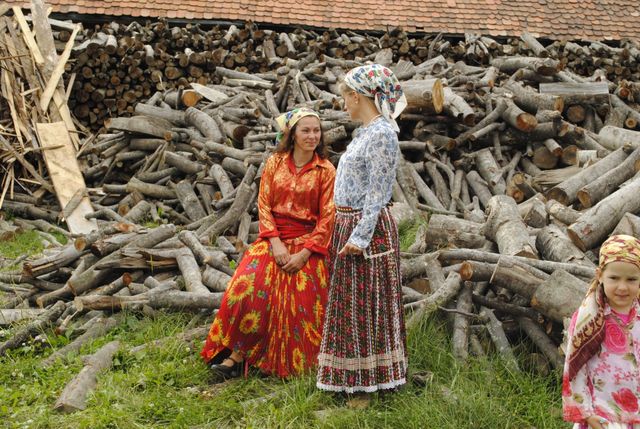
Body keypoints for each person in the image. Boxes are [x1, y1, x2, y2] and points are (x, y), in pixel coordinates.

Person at [201, 107, 336, 379]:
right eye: (306, 130)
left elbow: (328, 218)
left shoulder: (326, 170)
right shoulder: (275, 162)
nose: (312, 136)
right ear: (293, 134)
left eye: (316, 131)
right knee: (246, 289)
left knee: (298, 299)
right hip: (274, 238)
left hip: (309, 244)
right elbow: (263, 205)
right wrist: (275, 243)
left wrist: (304, 254)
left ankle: (274, 361)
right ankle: (237, 356)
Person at [316, 64, 408, 396]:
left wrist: (360, 236)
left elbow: (378, 193)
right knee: (349, 304)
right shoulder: (366, 133)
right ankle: (351, 379)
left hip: (366, 230)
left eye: (345, 98)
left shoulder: (382, 134)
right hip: (348, 223)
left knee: (366, 305)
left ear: (357, 96)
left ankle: (368, 383)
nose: (344, 105)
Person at [563, 234, 640, 429]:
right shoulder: (588, 318)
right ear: (600, 275)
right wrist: (586, 413)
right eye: (614, 278)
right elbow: (575, 368)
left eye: (631, 279)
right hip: (602, 413)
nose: (622, 287)